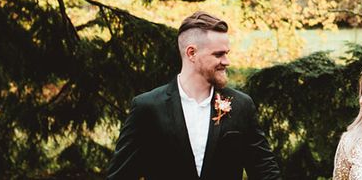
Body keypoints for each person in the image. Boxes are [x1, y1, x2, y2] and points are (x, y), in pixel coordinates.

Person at [107, 11, 282, 180]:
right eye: (218, 54)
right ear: (192, 53)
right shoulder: (147, 108)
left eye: (226, 53)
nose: (226, 61)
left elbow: (266, 172)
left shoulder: (241, 105)